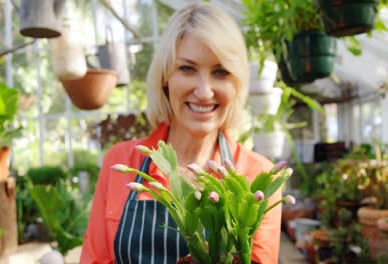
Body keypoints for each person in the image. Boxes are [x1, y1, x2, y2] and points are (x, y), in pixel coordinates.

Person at [80, 3, 282, 264]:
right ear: (165, 77)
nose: (204, 91)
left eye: (220, 72)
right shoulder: (122, 164)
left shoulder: (258, 179)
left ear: (236, 84)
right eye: (187, 68)